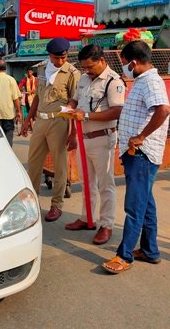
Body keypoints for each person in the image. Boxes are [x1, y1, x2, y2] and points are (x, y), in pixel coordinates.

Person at [102, 40, 170, 274]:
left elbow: (163, 109)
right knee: (146, 204)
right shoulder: (143, 81)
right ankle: (150, 250)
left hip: (142, 153)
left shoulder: (151, 81)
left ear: (133, 62)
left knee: (134, 206)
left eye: (124, 64)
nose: (123, 68)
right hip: (137, 153)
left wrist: (140, 136)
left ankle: (125, 255)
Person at [64, 44, 125, 245]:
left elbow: (117, 111)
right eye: (84, 68)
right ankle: (86, 218)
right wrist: (69, 108)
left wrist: (87, 115)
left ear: (101, 60)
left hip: (102, 138)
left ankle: (106, 224)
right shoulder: (83, 78)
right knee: (86, 182)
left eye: (90, 67)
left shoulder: (113, 82)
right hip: (83, 138)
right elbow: (75, 100)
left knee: (105, 184)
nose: (87, 71)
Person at [20, 37, 81, 221]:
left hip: (59, 122)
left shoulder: (72, 73)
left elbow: (75, 100)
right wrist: (27, 119)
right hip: (41, 121)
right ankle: (32, 203)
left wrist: (73, 132)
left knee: (60, 165)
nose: (60, 61)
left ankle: (57, 205)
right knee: (34, 164)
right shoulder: (41, 69)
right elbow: (37, 97)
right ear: (49, 55)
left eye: (63, 57)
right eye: (57, 58)